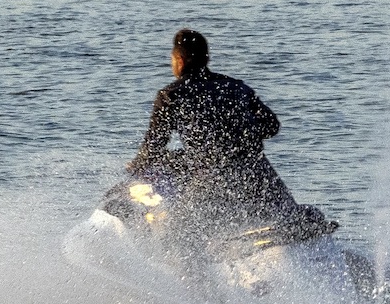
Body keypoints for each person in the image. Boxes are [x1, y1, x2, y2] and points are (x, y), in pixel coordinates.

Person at [128, 29, 301, 238]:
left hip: (213, 178)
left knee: (174, 234)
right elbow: (271, 126)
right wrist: (240, 135)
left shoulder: (171, 95)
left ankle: (197, 260)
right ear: (207, 58)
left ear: (179, 60)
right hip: (258, 172)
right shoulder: (236, 87)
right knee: (293, 218)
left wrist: (136, 166)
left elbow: (154, 146)